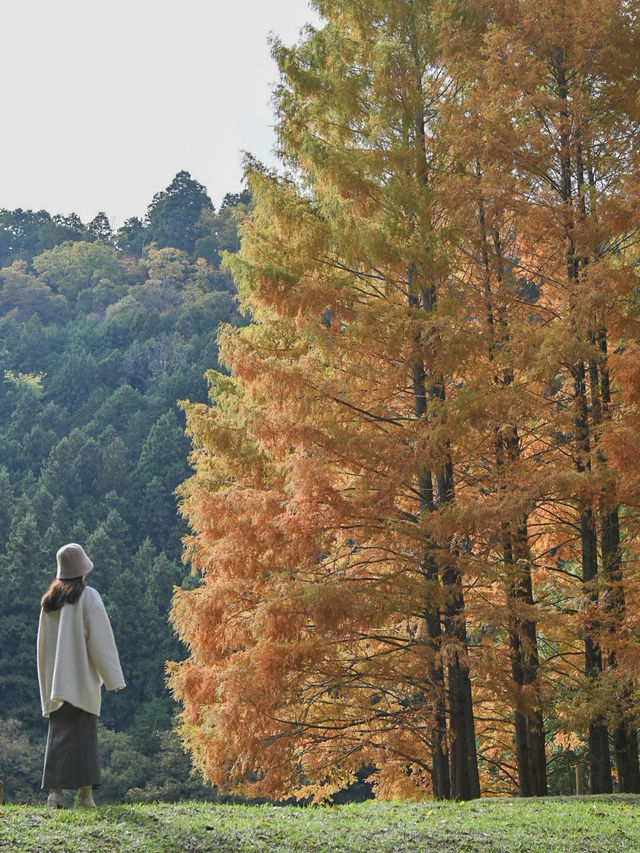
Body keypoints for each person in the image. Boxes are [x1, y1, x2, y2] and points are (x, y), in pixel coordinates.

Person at [37, 543, 126, 808]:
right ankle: (85, 796)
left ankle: (55, 794)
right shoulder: (89, 597)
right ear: (82, 570)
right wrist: (114, 679)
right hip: (82, 679)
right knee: (84, 737)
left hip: (56, 682)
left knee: (59, 736)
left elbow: (42, 647)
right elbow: (101, 641)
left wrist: (47, 683)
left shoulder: (49, 603)